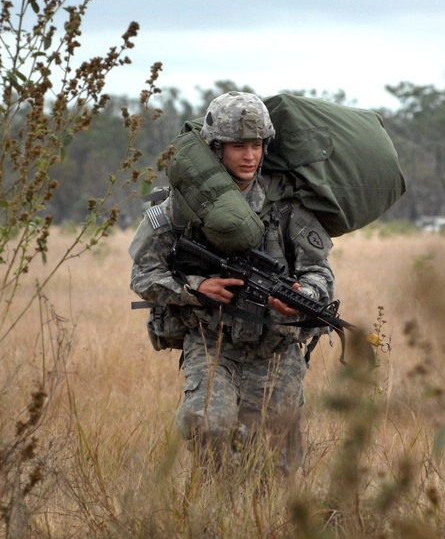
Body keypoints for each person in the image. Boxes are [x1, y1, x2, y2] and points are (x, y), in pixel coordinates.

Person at [128, 91, 336, 476]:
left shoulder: (286, 206)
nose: (249, 156)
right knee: (204, 425)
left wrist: (304, 295)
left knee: (277, 469)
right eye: (238, 146)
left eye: (256, 145)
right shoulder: (182, 206)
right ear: (215, 147)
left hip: (276, 350)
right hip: (212, 344)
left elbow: (319, 272)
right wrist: (195, 287)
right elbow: (144, 275)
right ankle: (218, 499)